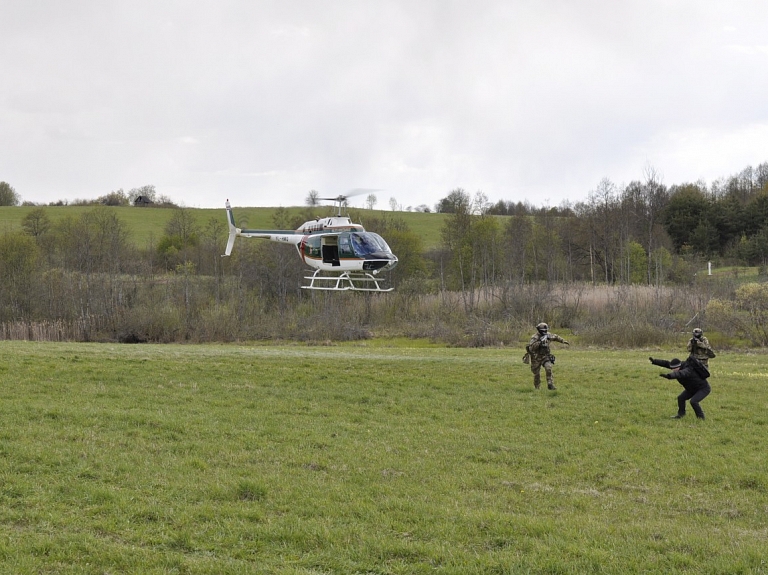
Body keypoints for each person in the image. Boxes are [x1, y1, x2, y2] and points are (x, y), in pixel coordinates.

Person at [526, 322, 569, 390]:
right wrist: (540, 342)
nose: (545, 332)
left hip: (545, 356)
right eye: (543, 331)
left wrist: (563, 341)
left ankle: (550, 384)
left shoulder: (548, 335)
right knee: (536, 374)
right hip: (536, 358)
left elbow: (555, 337)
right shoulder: (535, 337)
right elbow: (531, 347)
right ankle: (537, 387)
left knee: (548, 368)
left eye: (546, 330)